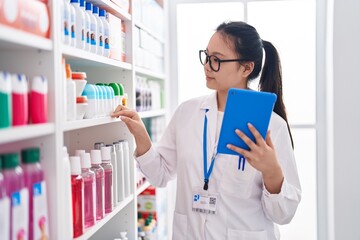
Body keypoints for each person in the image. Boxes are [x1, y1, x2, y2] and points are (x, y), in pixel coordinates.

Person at [111, 21, 301, 240]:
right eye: (207, 56)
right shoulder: (187, 112)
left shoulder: (272, 126)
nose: (207, 66)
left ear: (246, 68)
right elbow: (161, 176)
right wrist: (140, 135)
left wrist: (272, 172)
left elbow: (283, 214)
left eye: (217, 60)